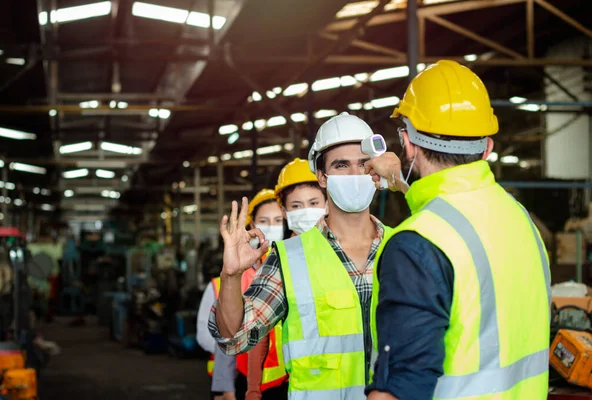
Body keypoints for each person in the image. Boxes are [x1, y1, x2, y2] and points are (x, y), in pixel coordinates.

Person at [364, 60, 551, 400]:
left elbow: (399, 390)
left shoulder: (414, 247)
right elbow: (455, 224)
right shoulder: (521, 219)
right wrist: (403, 186)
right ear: (488, 147)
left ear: (407, 144)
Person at [209, 112, 393, 400]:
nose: (355, 175)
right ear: (322, 176)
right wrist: (231, 276)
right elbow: (236, 337)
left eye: (364, 164)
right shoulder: (289, 257)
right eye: (341, 165)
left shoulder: (405, 246)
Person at [245, 158, 327, 400]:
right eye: (297, 205)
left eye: (313, 203)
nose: (306, 211)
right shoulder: (279, 259)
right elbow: (256, 331)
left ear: (327, 203)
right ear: (285, 211)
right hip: (290, 382)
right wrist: (252, 387)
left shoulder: (349, 249)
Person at [198, 189, 287, 400]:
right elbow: (218, 338)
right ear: (252, 225)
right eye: (264, 220)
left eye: (277, 220)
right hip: (242, 382)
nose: (271, 226)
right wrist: (223, 385)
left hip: (287, 382)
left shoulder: (293, 268)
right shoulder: (234, 277)